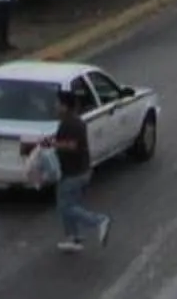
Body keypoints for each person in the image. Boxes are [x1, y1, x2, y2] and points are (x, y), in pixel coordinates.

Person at [49, 80, 109, 253]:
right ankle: (73, 238)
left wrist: (52, 145)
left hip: (74, 173)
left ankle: (99, 221)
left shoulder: (70, 124)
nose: (55, 106)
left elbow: (72, 146)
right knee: (70, 205)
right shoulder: (71, 122)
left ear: (65, 106)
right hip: (79, 171)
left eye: (57, 103)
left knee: (65, 207)